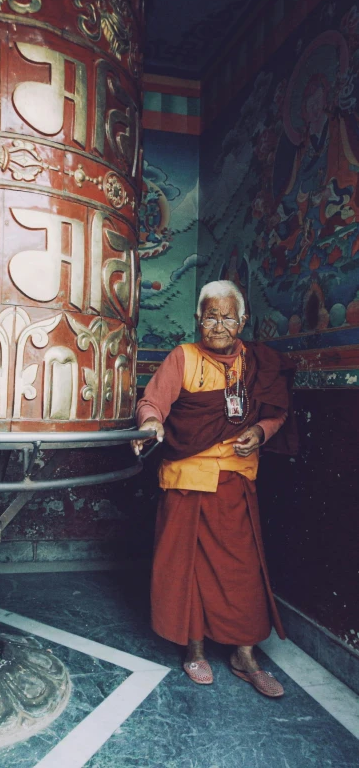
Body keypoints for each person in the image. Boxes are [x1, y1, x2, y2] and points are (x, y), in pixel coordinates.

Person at [133, 280, 297, 698]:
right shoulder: (182, 358)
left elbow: (276, 413)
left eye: (227, 316)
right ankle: (194, 649)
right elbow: (153, 403)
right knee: (186, 568)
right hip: (187, 480)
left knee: (242, 571)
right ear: (198, 319)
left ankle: (245, 655)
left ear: (243, 320)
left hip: (236, 481)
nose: (218, 325)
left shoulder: (258, 363)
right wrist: (150, 424)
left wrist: (260, 432)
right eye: (210, 316)